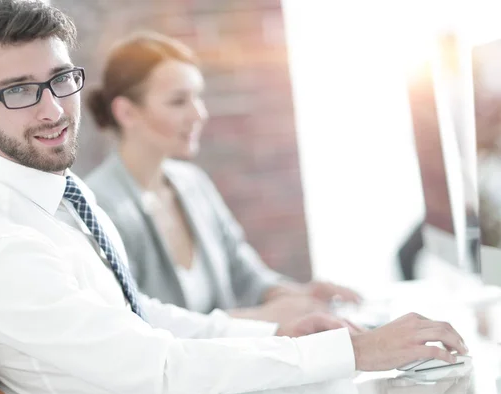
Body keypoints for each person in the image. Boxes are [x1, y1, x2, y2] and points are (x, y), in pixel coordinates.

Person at [0, 1, 467, 394]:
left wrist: (277, 329)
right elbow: (161, 372)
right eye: (19, 91)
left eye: (60, 80)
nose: (52, 110)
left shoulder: (60, 194)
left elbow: (140, 314)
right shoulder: (6, 246)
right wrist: (353, 349)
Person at [84, 32, 360, 325]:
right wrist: (258, 318)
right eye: (178, 101)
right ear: (126, 112)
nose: (199, 114)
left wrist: (295, 296)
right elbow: (136, 321)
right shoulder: (100, 206)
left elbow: (243, 270)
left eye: (197, 97)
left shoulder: (193, 183)